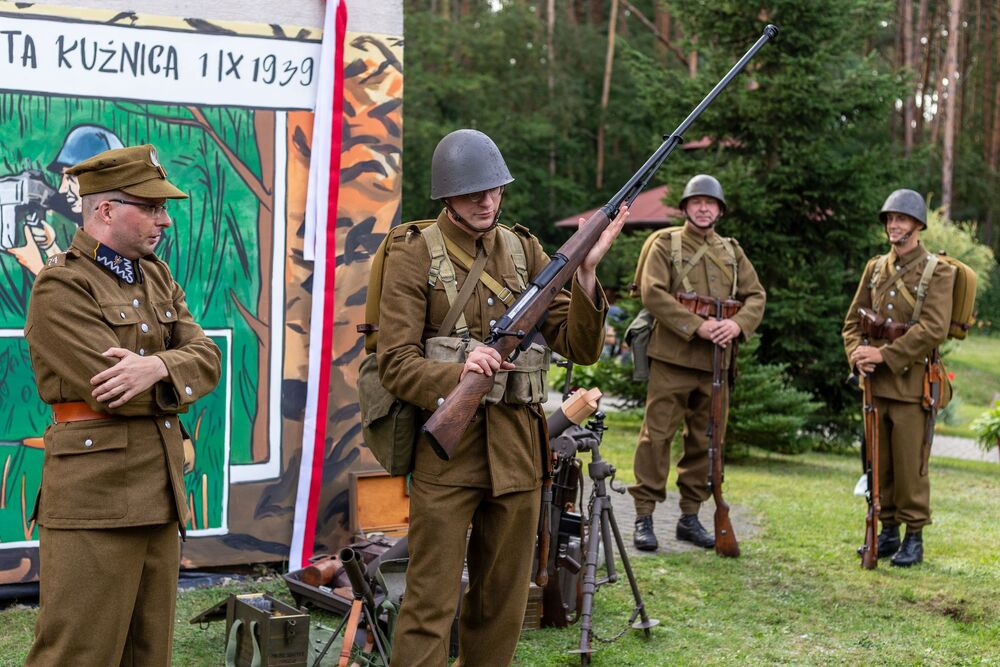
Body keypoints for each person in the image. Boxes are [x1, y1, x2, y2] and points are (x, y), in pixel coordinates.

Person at [377, 129, 625, 665]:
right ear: (447, 196)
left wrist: (585, 273)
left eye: (494, 189)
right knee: (429, 604)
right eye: (472, 193)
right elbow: (394, 364)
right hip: (448, 453)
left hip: (517, 448)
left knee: (502, 604)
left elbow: (579, 346)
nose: (486, 201)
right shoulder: (413, 253)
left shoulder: (525, 249)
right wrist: (456, 374)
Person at [23, 144, 221, 665]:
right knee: (79, 651)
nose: (165, 220)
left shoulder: (155, 276)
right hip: (96, 497)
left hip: (159, 491)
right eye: (152, 207)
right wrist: (173, 369)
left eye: (163, 207)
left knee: (147, 652)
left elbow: (209, 360)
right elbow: (111, 387)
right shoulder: (61, 285)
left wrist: (157, 367)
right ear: (106, 210)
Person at [628, 174, 766, 551]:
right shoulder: (664, 243)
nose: (704, 208)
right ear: (686, 207)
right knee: (655, 438)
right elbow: (651, 293)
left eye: (711, 203)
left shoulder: (732, 251)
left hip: (716, 364)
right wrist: (697, 326)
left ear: (719, 210)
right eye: (697, 202)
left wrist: (736, 325)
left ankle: (690, 517)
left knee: (707, 443)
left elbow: (756, 295)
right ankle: (644, 517)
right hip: (672, 358)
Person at [842, 189, 954, 567]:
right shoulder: (875, 268)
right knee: (879, 463)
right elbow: (852, 320)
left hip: (911, 387)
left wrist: (884, 355)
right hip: (873, 383)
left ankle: (914, 536)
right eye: (890, 219)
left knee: (910, 466)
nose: (894, 225)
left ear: (918, 225)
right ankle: (887, 531)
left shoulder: (938, 271)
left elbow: (932, 329)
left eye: (902, 219)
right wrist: (857, 354)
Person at [3, 124, 124, 275]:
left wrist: (35, 264)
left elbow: (83, 293)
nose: (62, 189)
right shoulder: (100, 232)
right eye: (63, 177)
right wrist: (50, 246)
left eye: (72, 178)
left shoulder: (120, 239)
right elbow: (75, 275)